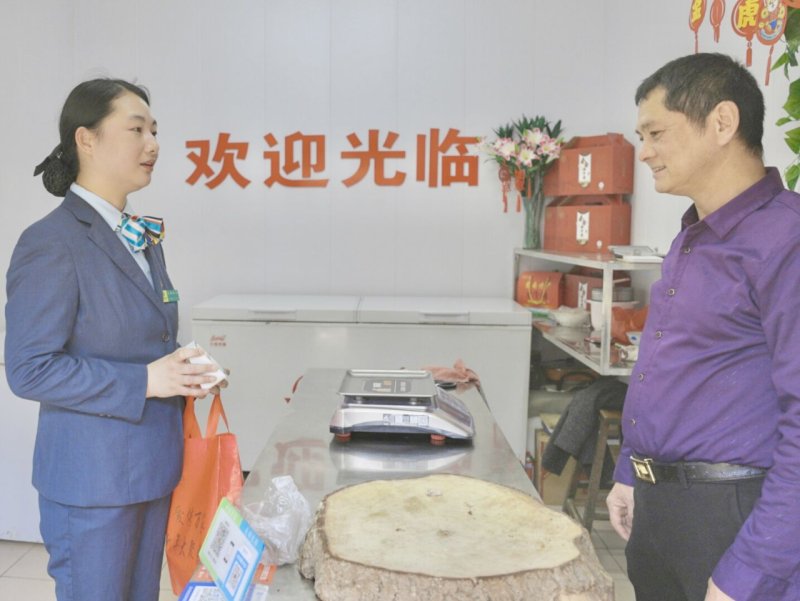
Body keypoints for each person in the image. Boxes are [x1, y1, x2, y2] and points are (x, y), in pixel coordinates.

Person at [4, 78, 220, 600]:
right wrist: (146, 380)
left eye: (155, 131)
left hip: (151, 469)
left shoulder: (141, 237)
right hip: (92, 485)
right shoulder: (51, 242)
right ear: (87, 139)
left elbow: (141, 342)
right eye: (136, 129)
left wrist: (184, 371)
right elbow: (29, 369)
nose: (153, 144)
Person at [606, 52, 800, 600]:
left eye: (656, 133)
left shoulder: (786, 240)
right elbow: (670, 368)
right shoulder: (693, 236)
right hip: (663, 511)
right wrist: (631, 469)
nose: (645, 152)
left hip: (736, 517)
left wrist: (751, 572)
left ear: (722, 122)